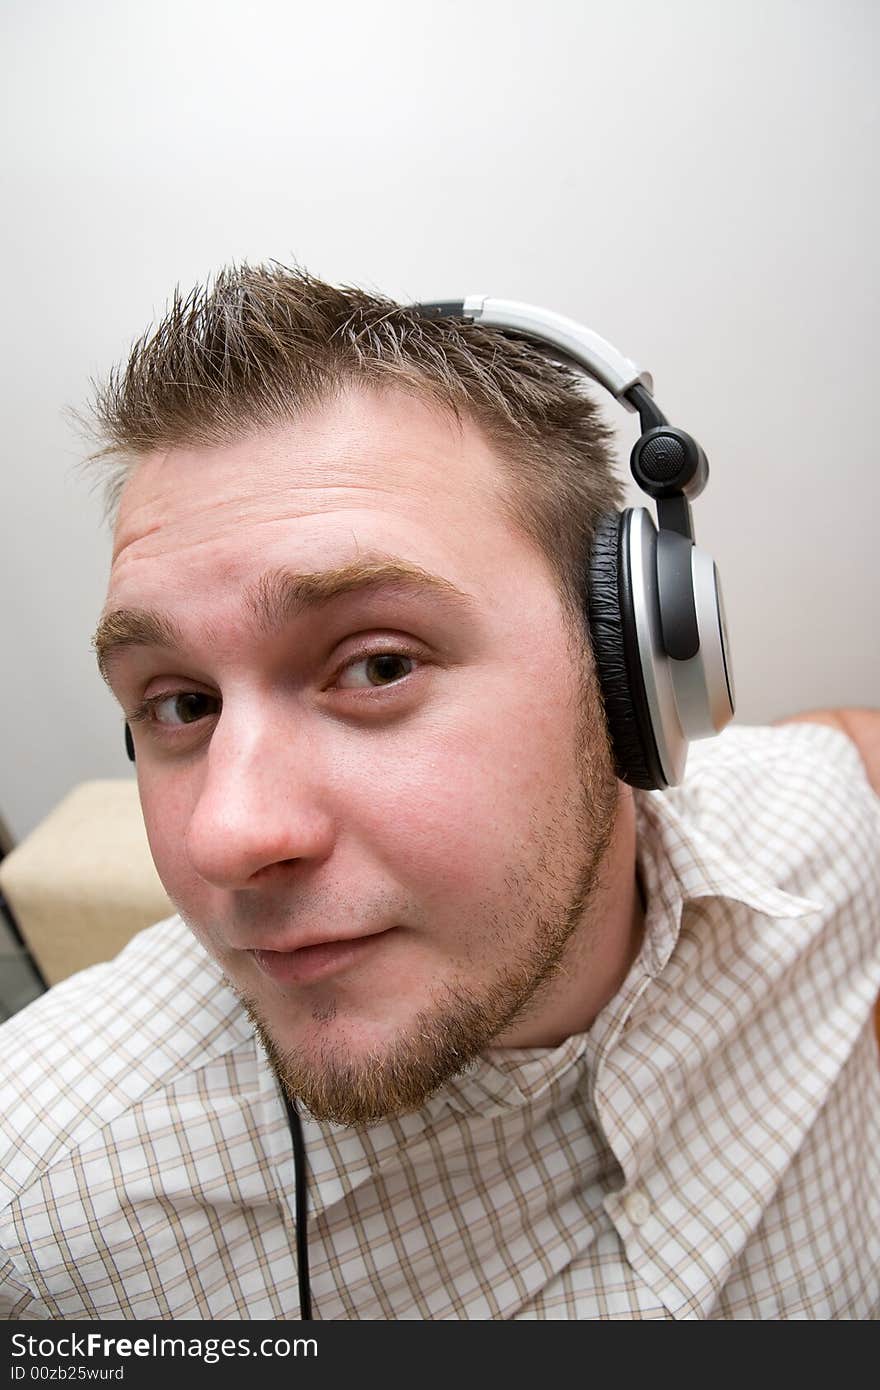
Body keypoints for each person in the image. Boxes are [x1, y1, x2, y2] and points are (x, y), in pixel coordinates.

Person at [1, 265, 878, 1321]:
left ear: (632, 670)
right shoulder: (43, 1218)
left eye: (375, 665)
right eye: (182, 703)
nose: (228, 835)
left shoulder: (820, 826)